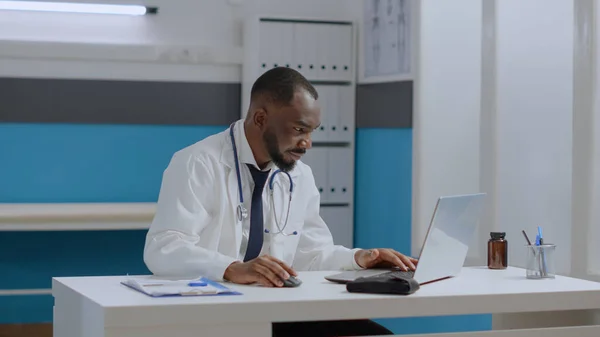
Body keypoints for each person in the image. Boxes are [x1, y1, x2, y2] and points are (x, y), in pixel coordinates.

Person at [143, 67, 417, 337]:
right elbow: (163, 247)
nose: (307, 143)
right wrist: (231, 268)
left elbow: (311, 255)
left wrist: (359, 258)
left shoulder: (299, 175)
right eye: (299, 129)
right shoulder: (198, 163)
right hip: (215, 313)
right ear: (261, 118)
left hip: (278, 310)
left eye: (312, 131)